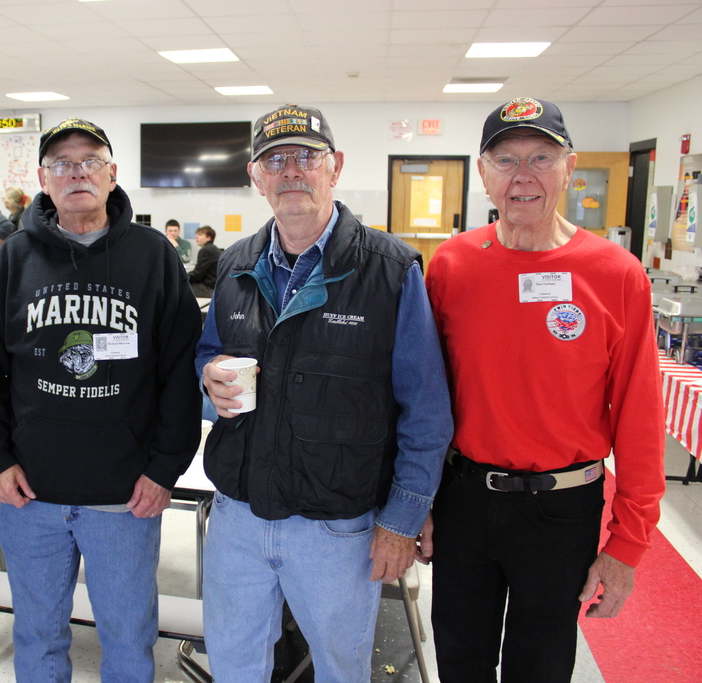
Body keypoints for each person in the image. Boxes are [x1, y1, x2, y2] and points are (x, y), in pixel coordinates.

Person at [197, 104, 453, 682]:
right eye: (275, 159)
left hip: (338, 530)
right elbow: (205, 354)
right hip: (238, 517)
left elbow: (428, 412)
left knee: (341, 671)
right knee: (235, 666)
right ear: (255, 176)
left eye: (306, 157)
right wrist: (206, 377)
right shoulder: (237, 265)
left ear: (334, 167)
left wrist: (402, 520)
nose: (291, 171)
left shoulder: (389, 271)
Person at [424, 98, 666, 683]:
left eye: (540, 157)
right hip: (463, 501)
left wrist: (627, 544)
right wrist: (417, 504)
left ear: (569, 168)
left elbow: (639, 413)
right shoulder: (452, 264)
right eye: (505, 160)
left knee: (542, 666)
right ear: (483, 174)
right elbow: (422, 398)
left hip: (561, 511)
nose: (522, 175)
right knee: (458, 659)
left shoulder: (616, 273)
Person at [0, 117, 202, 683]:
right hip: (30, 497)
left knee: (128, 639)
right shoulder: (12, 262)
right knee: (38, 638)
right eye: (62, 164)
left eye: (90, 161)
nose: (77, 173)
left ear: (112, 174)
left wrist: (165, 468)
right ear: (43, 179)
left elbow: (178, 372)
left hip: (124, 497)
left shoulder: (153, 256)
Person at [186, 225, 219, 298]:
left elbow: (197, 275)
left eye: (200, 235)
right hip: (214, 287)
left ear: (208, 238)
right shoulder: (213, 249)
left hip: (209, 289)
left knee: (181, 287)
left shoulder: (206, 250)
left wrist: (183, 277)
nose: (196, 237)